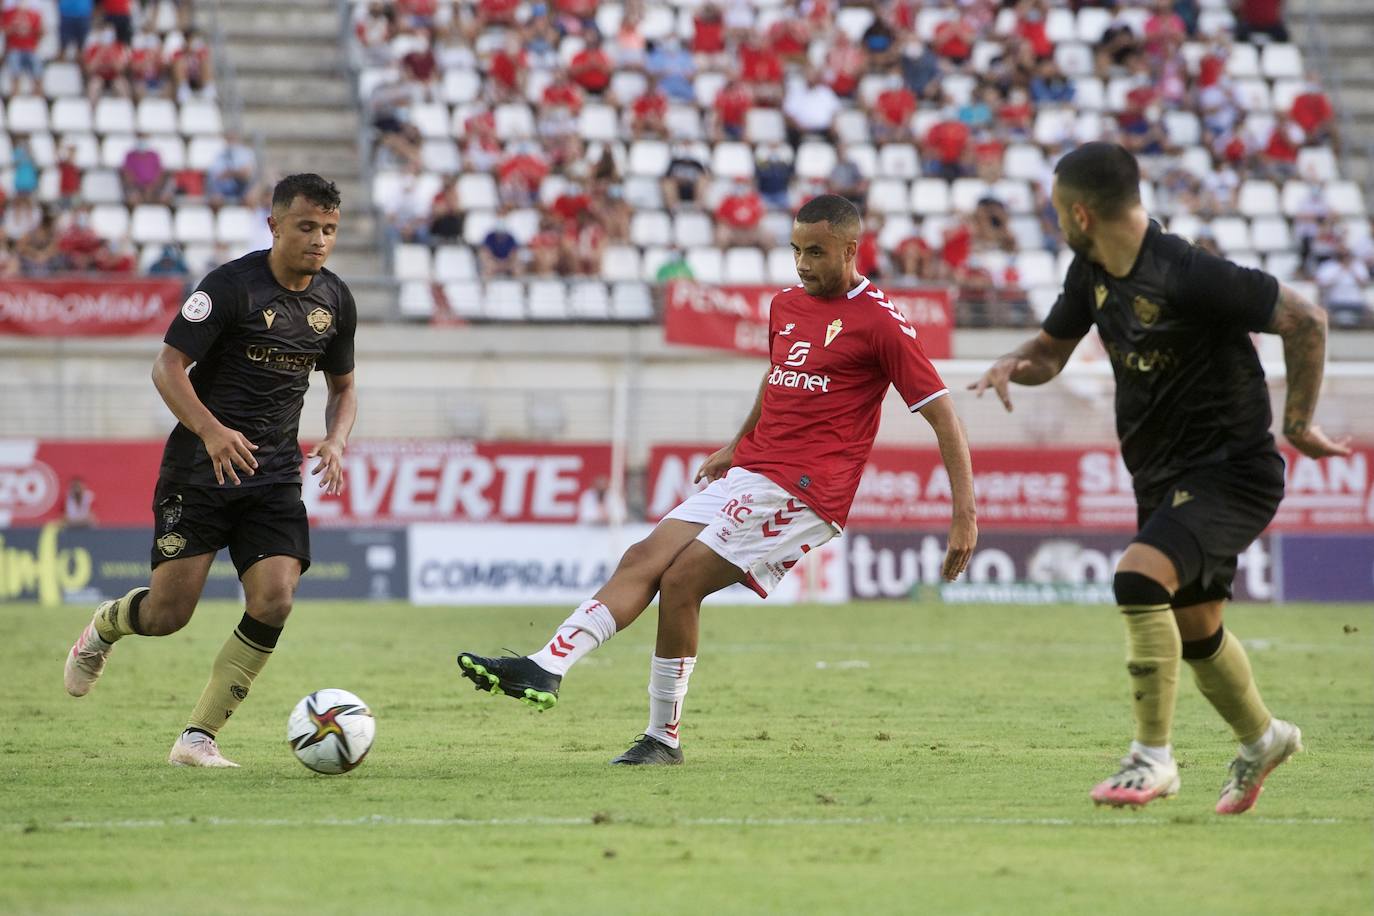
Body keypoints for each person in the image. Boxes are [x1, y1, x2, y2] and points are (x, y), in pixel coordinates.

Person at [457, 194, 978, 765]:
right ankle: (547, 665)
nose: (803, 264)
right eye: (796, 251)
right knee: (641, 556)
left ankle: (663, 737)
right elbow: (778, 377)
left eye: (816, 253)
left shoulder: (881, 321)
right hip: (753, 469)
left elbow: (942, 414)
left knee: (682, 582)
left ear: (850, 250)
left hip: (805, 489)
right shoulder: (786, 305)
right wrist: (736, 445)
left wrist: (964, 516)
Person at [970, 142, 1349, 814]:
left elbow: (1306, 319)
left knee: (1139, 577)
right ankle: (1264, 739)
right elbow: (1052, 353)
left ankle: (1152, 759)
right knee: (1197, 628)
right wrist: (1012, 364)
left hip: (1232, 469)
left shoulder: (1189, 273)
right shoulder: (1089, 268)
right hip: (1162, 473)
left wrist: (1297, 423)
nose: (1055, 220)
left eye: (1058, 209)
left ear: (1080, 212)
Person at [63, 174, 359, 769]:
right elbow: (168, 367)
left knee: (275, 599)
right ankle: (105, 627)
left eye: (329, 228)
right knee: (169, 616)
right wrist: (213, 431)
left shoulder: (335, 300)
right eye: (306, 226)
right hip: (200, 469)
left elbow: (344, 385)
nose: (319, 239)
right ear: (274, 225)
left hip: (273, 473)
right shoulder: (230, 287)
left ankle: (197, 738)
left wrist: (336, 438)